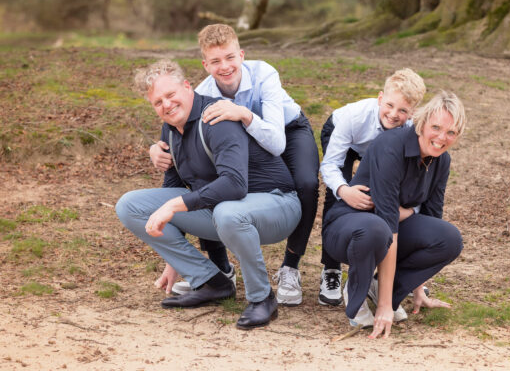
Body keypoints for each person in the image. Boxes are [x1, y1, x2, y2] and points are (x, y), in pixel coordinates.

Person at [116, 60, 301, 330]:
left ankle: (262, 299)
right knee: (129, 205)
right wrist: (174, 261)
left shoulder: (215, 117)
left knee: (226, 212)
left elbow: (235, 185)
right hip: (225, 212)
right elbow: (173, 187)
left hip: (277, 204)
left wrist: (173, 207)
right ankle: (210, 282)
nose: (166, 105)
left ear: (187, 87)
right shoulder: (170, 128)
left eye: (170, 95)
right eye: (158, 102)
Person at [149, 24, 319, 306]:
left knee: (306, 183)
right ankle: (220, 269)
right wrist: (158, 148)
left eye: (230, 57)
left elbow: (276, 143)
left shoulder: (264, 73)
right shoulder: (203, 93)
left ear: (241, 54)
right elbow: (182, 152)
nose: (224, 66)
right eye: (215, 61)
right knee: (209, 177)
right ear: (205, 64)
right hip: (243, 137)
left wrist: (243, 113)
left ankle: (290, 267)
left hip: (286, 130)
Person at [322, 91, 466, 339]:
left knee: (448, 238)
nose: (442, 138)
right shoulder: (391, 146)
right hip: (348, 228)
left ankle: (381, 289)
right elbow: (389, 224)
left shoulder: (441, 161)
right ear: (422, 122)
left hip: (383, 226)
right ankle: (358, 292)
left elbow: (431, 217)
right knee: (377, 228)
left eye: (451, 133)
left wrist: (417, 288)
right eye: (436, 127)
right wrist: (385, 307)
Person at [318, 69, 426, 309]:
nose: (394, 114)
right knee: (337, 196)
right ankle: (331, 268)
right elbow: (330, 165)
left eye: (403, 111)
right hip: (349, 141)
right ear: (379, 98)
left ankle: (385, 268)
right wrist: (344, 190)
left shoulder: (410, 129)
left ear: (412, 113)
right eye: (389, 105)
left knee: (388, 195)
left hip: (382, 150)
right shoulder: (354, 117)